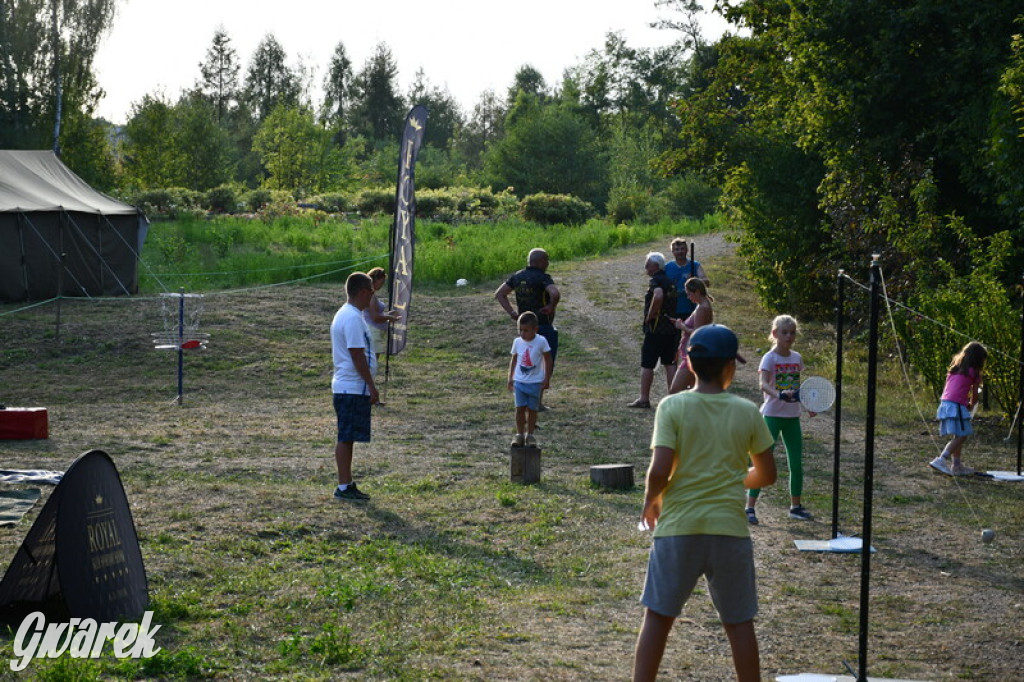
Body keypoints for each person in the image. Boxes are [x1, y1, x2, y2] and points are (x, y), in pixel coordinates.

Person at [633, 324, 777, 682]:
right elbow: (768, 474)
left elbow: (660, 469)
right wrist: (728, 476)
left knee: (657, 617)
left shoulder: (672, 406)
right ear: (730, 366)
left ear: (690, 364)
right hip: (729, 532)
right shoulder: (747, 412)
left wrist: (651, 501)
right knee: (739, 622)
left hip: (678, 529)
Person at [745, 314, 813, 524]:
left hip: (792, 416)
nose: (789, 336)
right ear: (775, 334)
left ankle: (795, 506)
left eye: (792, 333)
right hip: (772, 415)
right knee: (762, 462)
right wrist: (778, 394)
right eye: (784, 332)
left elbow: (797, 385)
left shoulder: (796, 358)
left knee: (796, 463)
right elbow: (763, 384)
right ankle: (749, 507)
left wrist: (807, 404)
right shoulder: (770, 358)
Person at [330, 272, 379, 502]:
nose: (373, 295)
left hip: (350, 386)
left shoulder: (351, 315)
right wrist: (371, 385)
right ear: (362, 292)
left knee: (348, 437)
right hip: (351, 387)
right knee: (346, 436)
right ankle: (343, 486)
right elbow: (357, 355)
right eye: (371, 290)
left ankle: (347, 482)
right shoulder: (350, 317)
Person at [495, 248, 561, 408]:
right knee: (545, 362)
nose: (548, 263)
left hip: (524, 329)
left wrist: (512, 313)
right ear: (539, 262)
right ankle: (537, 402)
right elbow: (555, 293)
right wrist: (551, 306)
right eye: (546, 260)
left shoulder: (518, 276)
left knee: (526, 362)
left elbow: (500, 294)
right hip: (542, 326)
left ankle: (524, 400)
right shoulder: (543, 278)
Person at [929, 341, 987, 476]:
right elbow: (975, 394)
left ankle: (956, 465)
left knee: (958, 434)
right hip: (956, 404)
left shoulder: (955, 368)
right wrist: (972, 405)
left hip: (946, 402)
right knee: (963, 434)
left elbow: (953, 388)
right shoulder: (974, 372)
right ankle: (941, 459)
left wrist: (963, 402)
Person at [629, 252, 680, 408]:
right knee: (669, 363)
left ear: (656, 266)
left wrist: (649, 316)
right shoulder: (670, 281)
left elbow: (657, 296)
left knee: (648, 364)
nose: (645, 266)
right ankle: (673, 399)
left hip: (656, 329)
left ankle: (644, 399)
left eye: (648, 264)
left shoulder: (656, 281)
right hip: (671, 329)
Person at [507, 311, 553, 447]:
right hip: (520, 382)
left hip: (535, 382)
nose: (522, 333)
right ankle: (519, 434)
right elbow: (514, 359)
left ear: (535, 329)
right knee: (519, 408)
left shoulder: (541, 341)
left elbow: (548, 359)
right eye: (520, 330)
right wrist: (510, 377)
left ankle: (530, 435)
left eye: (526, 330)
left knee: (533, 409)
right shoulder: (517, 342)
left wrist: (546, 378)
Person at [667, 278, 714, 394]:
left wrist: (682, 327)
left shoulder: (702, 308)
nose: (688, 297)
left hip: (693, 355)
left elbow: (698, 334)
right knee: (693, 391)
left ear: (697, 291)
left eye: (689, 294)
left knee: (675, 390)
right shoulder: (701, 306)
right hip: (693, 353)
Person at [664, 238, 710, 321]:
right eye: (677, 249)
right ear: (672, 252)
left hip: (692, 307)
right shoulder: (667, 267)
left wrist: (695, 280)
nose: (680, 251)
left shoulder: (695, 265)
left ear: (687, 250)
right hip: (673, 308)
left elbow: (707, 282)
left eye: (682, 249)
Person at [363, 267, 400, 364]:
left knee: (372, 362)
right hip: (373, 333)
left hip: (375, 333)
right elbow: (375, 317)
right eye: (381, 282)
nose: (382, 285)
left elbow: (376, 314)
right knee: (371, 363)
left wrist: (388, 314)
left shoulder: (370, 294)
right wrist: (389, 317)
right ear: (375, 280)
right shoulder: (371, 296)